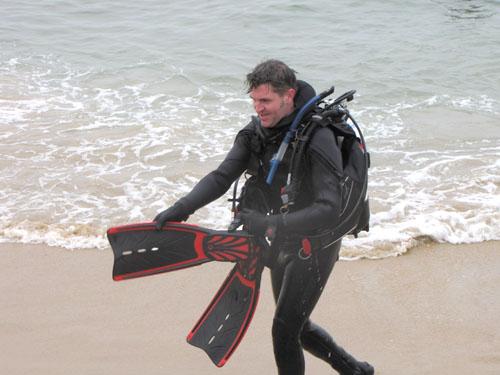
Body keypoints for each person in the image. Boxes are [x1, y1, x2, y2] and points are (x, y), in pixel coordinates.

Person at [154, 59, 374, 375]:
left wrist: (270, 224)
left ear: (289, 95)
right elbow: (220, 177)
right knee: (296, 325)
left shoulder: (317, 136)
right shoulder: (255, 134)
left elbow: (329, 208)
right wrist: (181, 208)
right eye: (255, 101)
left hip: (316, 243)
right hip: (282, 238)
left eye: (266, 101)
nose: (259, 108)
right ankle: (356, 371)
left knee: (284, 329)